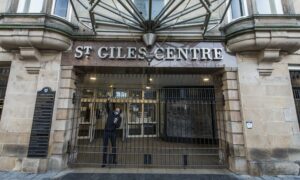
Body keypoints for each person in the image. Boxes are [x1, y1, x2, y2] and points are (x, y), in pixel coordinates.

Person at [102, 99, 122, 167]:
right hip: (106, 132)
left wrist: (115, 122)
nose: (117, 111)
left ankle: (114, 160)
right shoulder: (110, 113)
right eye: (116, 109)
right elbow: (107, 107)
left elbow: (118, 126)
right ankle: (104, 162)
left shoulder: (119, 118)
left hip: (113, 133)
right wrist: (107, 101)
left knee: (114, 147)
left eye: (118, 110)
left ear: (119, 112)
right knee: (105, 147)